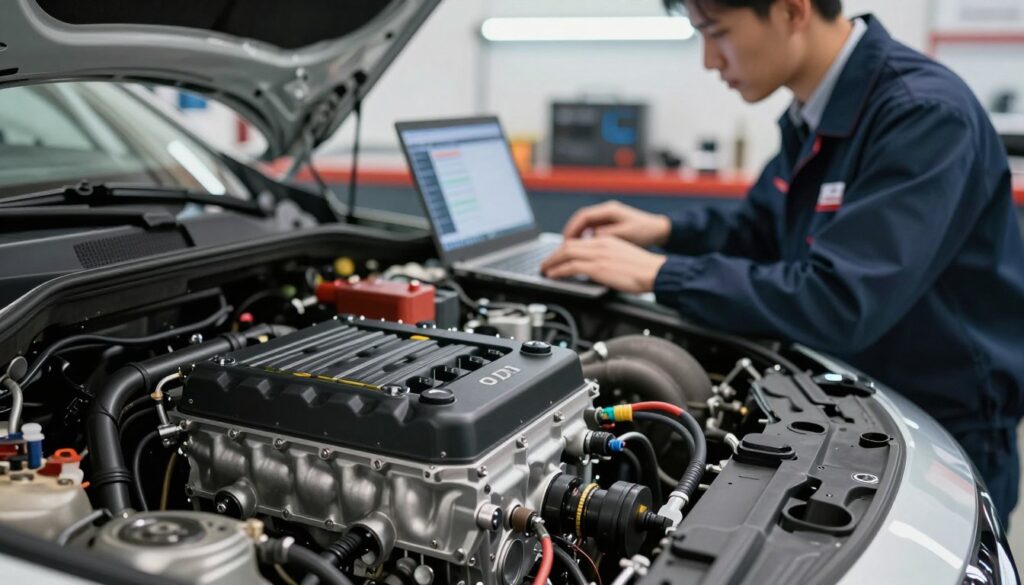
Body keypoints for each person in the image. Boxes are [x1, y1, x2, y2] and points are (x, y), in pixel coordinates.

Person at [540, 0, 1024, 527]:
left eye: (717, 32)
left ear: (792, 12)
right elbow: (763, 228)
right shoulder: (816, 110)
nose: (709, 60)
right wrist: (664, 230)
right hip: (864, 400)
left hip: (940, 428)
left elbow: (839, 299)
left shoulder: (921, 115)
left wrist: (659, 273)